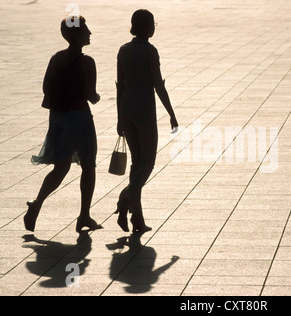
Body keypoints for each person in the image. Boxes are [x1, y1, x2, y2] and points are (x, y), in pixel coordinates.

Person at [24, 16, 102, 233]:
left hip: (59, 118)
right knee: (88, 166)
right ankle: (84, 215)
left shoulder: (56, 58)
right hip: (80, 119)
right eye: (86, 29)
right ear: (77, 35)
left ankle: (37, 203)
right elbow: (90, 94)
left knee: (61, 167)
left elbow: (45, 88)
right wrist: (96, 97)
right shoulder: (88, 62)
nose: (89, 32)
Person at [115, 9, 178, 234]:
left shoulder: (123, 51)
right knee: (148, 163)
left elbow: (119, 86)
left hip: (127, 110)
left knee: (136, 163)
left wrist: (119, 118)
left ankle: (137, 219)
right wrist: (171, 112)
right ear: (148, 27)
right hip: (144, 113)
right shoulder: (150, 52)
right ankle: (125, 200)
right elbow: (158, 85)